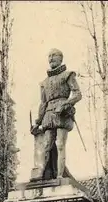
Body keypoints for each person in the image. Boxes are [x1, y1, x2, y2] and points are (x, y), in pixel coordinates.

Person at [30, 48, 82, 180]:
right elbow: (43, 103)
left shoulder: (68, 75)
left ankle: (60, 175)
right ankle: (41, 173)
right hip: (48, 115)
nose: (51, 58)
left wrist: (65, 105)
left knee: (60, 144)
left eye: (54, 56)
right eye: (49, 56)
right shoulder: (44, 82)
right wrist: (37, 122)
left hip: (62, 113)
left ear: (61, 58)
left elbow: (77, 94)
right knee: (47, 145)